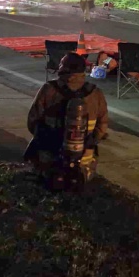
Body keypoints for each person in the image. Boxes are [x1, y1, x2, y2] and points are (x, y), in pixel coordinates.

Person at [24, 52, 109, 191]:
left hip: (49, 155)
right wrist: (89, 142)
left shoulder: (49, 90)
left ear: (63, 69)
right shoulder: (95, 93)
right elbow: (103, 125)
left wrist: (45, 139)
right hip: (84, 159)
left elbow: (32, 121)